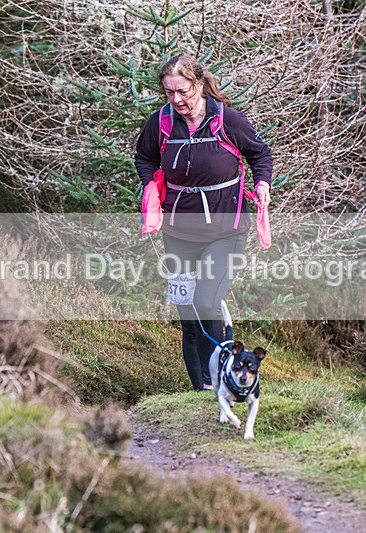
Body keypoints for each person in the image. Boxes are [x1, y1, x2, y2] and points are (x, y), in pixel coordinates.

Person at [134, 53, 272, 391]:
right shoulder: (161, 122)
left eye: (183, 91)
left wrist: (262, 183)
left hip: (225, 231)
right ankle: (201, 391)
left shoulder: (227, 120)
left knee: (207, 302)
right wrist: (151, 185)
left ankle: (219, 381)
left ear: (198, 85)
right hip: (178, 233)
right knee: (189, 319)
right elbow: (144, 156)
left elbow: (260, 153)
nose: (177, 100)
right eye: (169, 93)